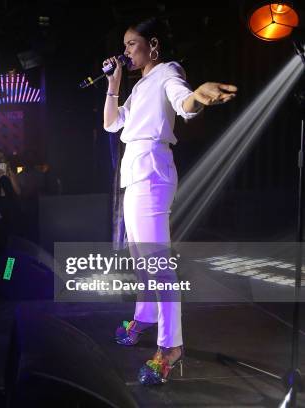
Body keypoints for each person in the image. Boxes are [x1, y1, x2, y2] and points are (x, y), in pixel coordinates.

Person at [103, 17, 237, 385]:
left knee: (157, 262)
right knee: (141, 257)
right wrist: (114, 84)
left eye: (132, 44)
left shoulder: (166, 71)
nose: (126, 51)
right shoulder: (140, 85)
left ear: (153, 45)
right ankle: (145, 315)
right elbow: (111, 124)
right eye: (125, 45)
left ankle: (170, 346)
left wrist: (197, 96)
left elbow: (184, 102)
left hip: (151, 172)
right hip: (135, 174)